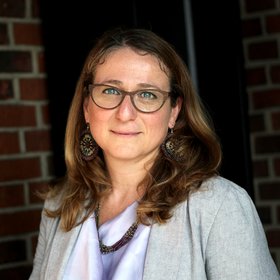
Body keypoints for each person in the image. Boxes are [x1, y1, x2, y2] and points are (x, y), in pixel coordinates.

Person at [29, 27, 280, 280]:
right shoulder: (60, 205)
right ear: (86, 106)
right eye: (110, 91)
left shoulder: (219, 206)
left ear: (173, 112)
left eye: (147, 94)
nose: (125, 113)